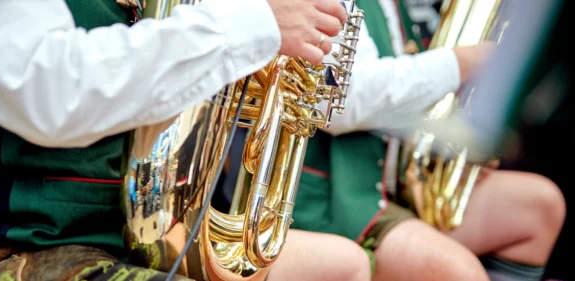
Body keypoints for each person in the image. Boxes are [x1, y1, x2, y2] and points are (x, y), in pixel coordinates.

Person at [0, 0, 347, 280]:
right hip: (37, 245)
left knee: (346, 265)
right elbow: (52, 92)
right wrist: (253, 26)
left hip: (150, 234)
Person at [241, 1, 566, 281]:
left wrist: (462, 143)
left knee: (540, 206)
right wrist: (464, 61)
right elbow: (342, 104)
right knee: (459, 273)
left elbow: (401, 96)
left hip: (389, 176)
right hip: (330, 197)